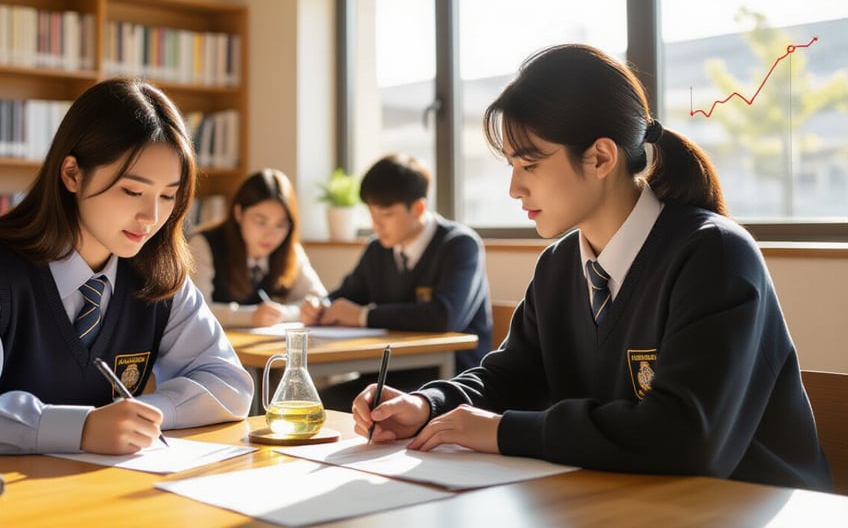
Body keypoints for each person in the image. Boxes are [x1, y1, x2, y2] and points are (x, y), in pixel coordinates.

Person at [353, 44, 832, 491]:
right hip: (629, 499)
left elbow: (685, 437)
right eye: (511, 166)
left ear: (601, 157)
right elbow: (511, 375)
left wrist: (502, 432)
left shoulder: (714, 255)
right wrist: (427, 404)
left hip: (748, 506)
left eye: (529, 164)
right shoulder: (559, 265)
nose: (514, 188)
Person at [0, 78, 254, 455]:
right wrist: (81, 428)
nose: (152, 216)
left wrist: (144, 415)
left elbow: (230, 385)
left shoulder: (157, 272)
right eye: (132, 191)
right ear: (73, 174)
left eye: (168, 195)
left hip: (66, 484)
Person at [303, 154, 492, 410]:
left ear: (418, 208)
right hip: (387, 374)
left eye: (386, 214)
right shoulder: (378, 249)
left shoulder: (460, 245)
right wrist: (321, 306)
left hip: (448, 381)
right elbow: (348, 294)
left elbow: (445, 316)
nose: (376, 224)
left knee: (339, 406)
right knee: (313, 403)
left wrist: (363, 316)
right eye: (371, 213)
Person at [188, 169, 326, 327]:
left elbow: (319, 300)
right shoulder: (203, 244)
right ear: (238, 213)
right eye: (261, 222)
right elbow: (194, 310)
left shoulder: (290, 249)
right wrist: (249, 317)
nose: (270, 235)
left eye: (280, 225)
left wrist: (285, 313)